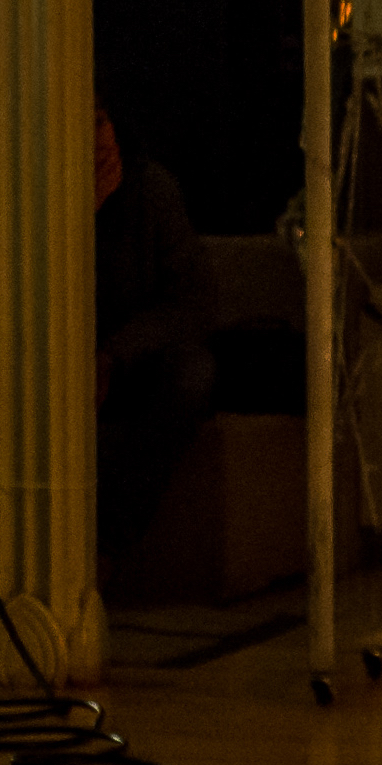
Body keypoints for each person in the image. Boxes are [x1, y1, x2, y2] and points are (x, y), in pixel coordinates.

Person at [94, 104, 221, 547]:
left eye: (101, 121)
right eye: (83, 126)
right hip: (62, 355)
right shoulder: (40, 197)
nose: (98, 140)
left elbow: (193, 299)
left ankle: (110, 540)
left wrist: (115, 354)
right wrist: (83, 218)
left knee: (193, 373)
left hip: (135, 361)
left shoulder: (151, 190)